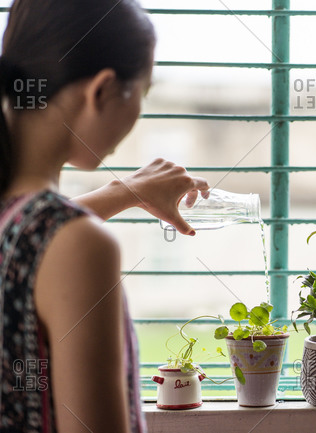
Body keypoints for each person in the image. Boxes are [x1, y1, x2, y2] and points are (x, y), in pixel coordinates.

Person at [0, 1, 208, 432]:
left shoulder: (30, 227)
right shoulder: (79, 244)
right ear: (103, 90)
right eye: (143, 93)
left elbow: (27, 252)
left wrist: (122, 192)